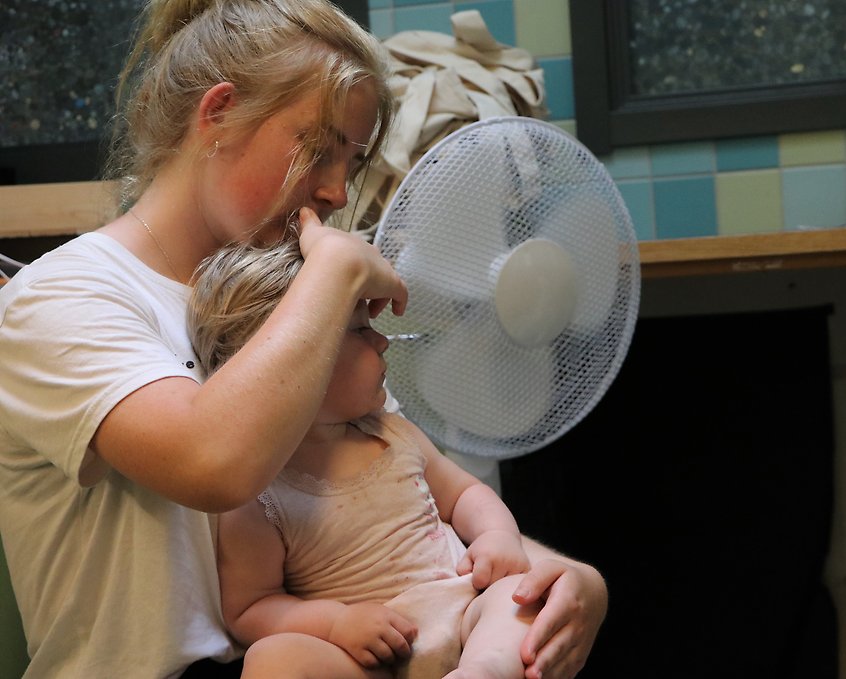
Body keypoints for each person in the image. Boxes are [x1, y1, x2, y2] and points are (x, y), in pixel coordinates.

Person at [0, 1, 606, 678]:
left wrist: (558, 578)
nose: (336, 190)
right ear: (219, 112)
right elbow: (213, 464)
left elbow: (399, 494)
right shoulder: (62, 298)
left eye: (351, 159)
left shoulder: (301, 291)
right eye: (318, 148)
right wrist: (338, 269)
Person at [189, 239, 541, 679]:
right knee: (273, 659)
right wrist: (337, 623)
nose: (381, 339)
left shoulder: (394, 433)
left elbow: (466, 493)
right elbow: (251, 609)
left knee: (518, 600)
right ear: (291, 360)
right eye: (358, 330)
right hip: (369, 655)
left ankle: (484, 670)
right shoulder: (258, 491)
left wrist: (497, 535)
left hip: (464, 607)